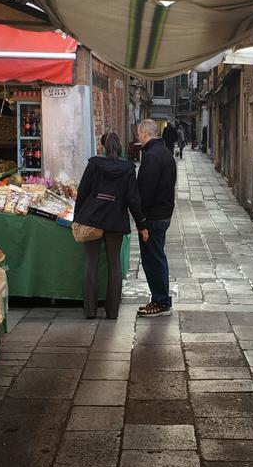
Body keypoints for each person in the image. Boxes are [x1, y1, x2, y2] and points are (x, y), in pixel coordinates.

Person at [73, 133, 149, 319]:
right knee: (114, 264)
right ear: (120, 148)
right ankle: (112, 311)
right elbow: (133, 199)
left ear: (104, 148)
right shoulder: (128, 168)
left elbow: (82, 192)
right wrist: (141, 223)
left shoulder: (94, 164)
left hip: (92, 218)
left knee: (90, 263)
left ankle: (90, 310)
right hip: (115, 220)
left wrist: (77, 217)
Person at [136, 118, 177, 317]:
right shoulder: (165, 153)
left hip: (153, 216)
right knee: (156, 257)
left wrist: (141, 220)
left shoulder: (152, 156)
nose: (138, 140)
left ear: (145, 134)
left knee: (153, 260)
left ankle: (160, 301)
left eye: (139, 136)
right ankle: (160, 299)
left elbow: (146, 191)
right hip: (163, 213)